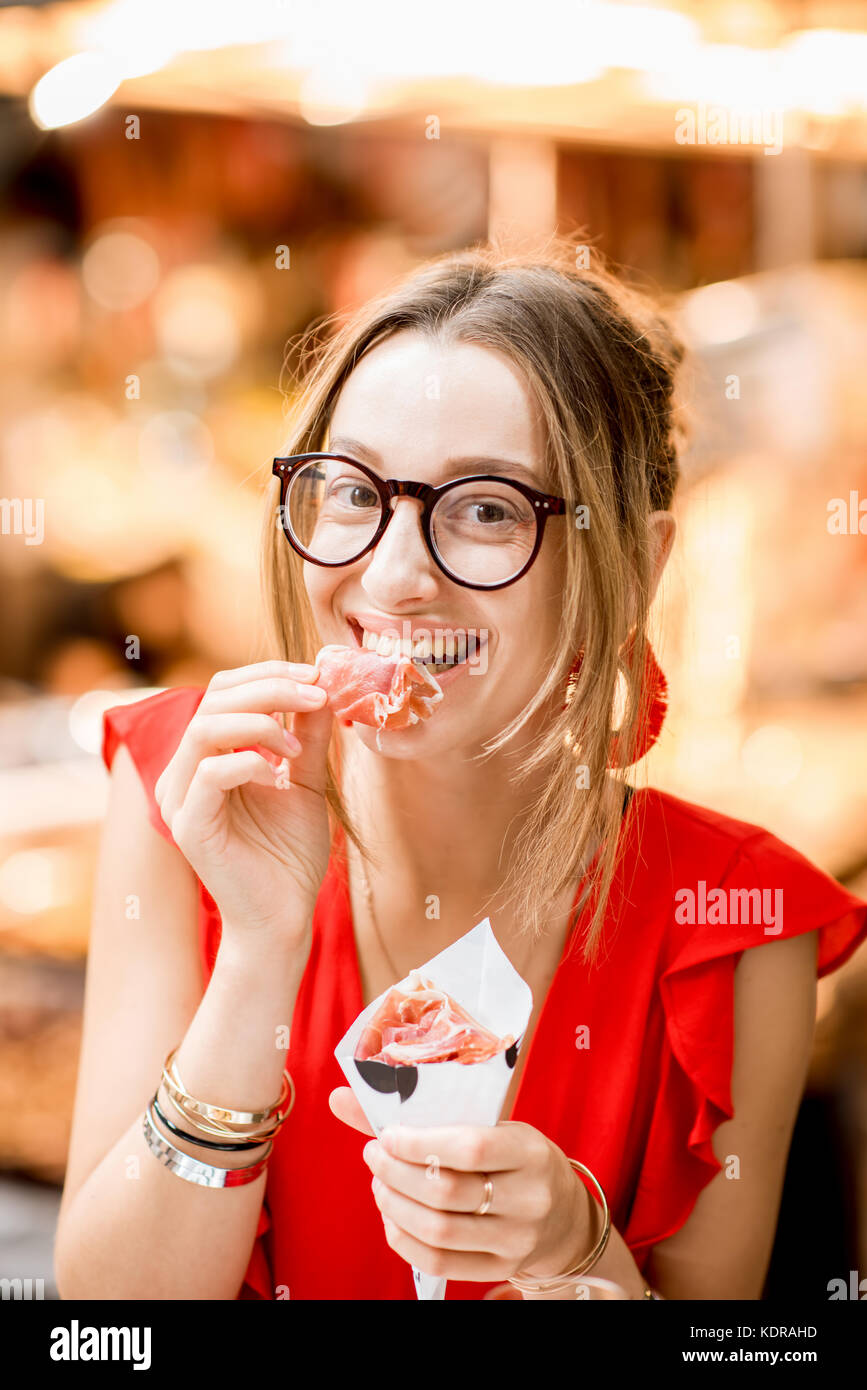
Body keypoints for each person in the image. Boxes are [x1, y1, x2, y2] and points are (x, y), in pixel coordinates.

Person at [55, 239, 867, 1301]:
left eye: (486, 508)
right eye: (352, 492)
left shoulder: (732, 925)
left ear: (638, 562)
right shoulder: (184, 791)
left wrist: (581, 1252)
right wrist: (260, 949)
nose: (393, 577)